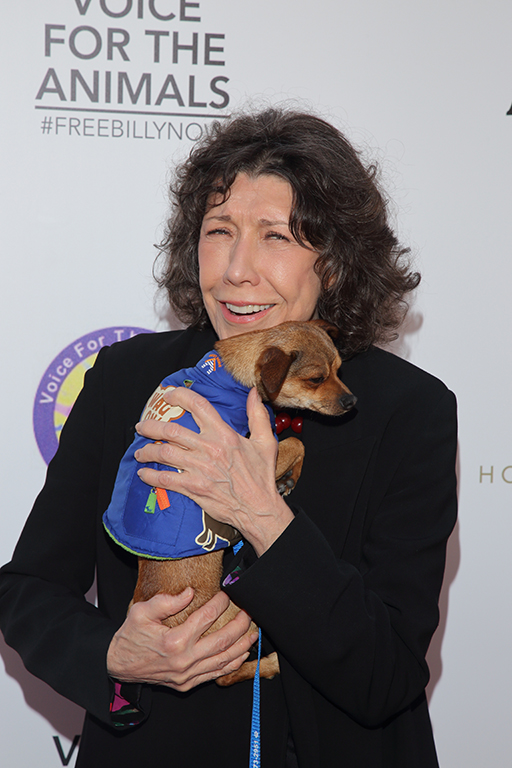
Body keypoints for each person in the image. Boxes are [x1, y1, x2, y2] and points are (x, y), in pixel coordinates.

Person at [0, 108, 457, 768]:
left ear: (333, 261)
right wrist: (112, 656)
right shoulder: (128, 379)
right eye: (219, 231)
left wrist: (262, 514)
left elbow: (385, 675)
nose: (237, 270)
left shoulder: (406, 411)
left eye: (275, 236)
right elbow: (29, 589)